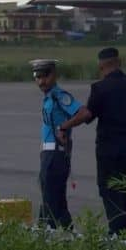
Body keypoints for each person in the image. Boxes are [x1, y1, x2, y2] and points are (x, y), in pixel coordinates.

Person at [58, 47, 126, 235]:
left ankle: (117, 235)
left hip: (109, 153)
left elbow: (86, 114)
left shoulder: (100, 88)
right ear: (120, 62)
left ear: (101, 66)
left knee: (111, 193)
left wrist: (64, 126)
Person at [32, 59, 82, 229]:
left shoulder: (59, 96)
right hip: (48, 154)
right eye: (37, 77)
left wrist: (64, 126)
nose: (41, 81)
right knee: (56, 199)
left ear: (54, 75)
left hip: (56, 155)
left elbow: (83, 113)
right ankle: (70, 234)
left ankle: (45, 233)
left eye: (44, 76)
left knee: (51, 199)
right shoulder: (48, 98)